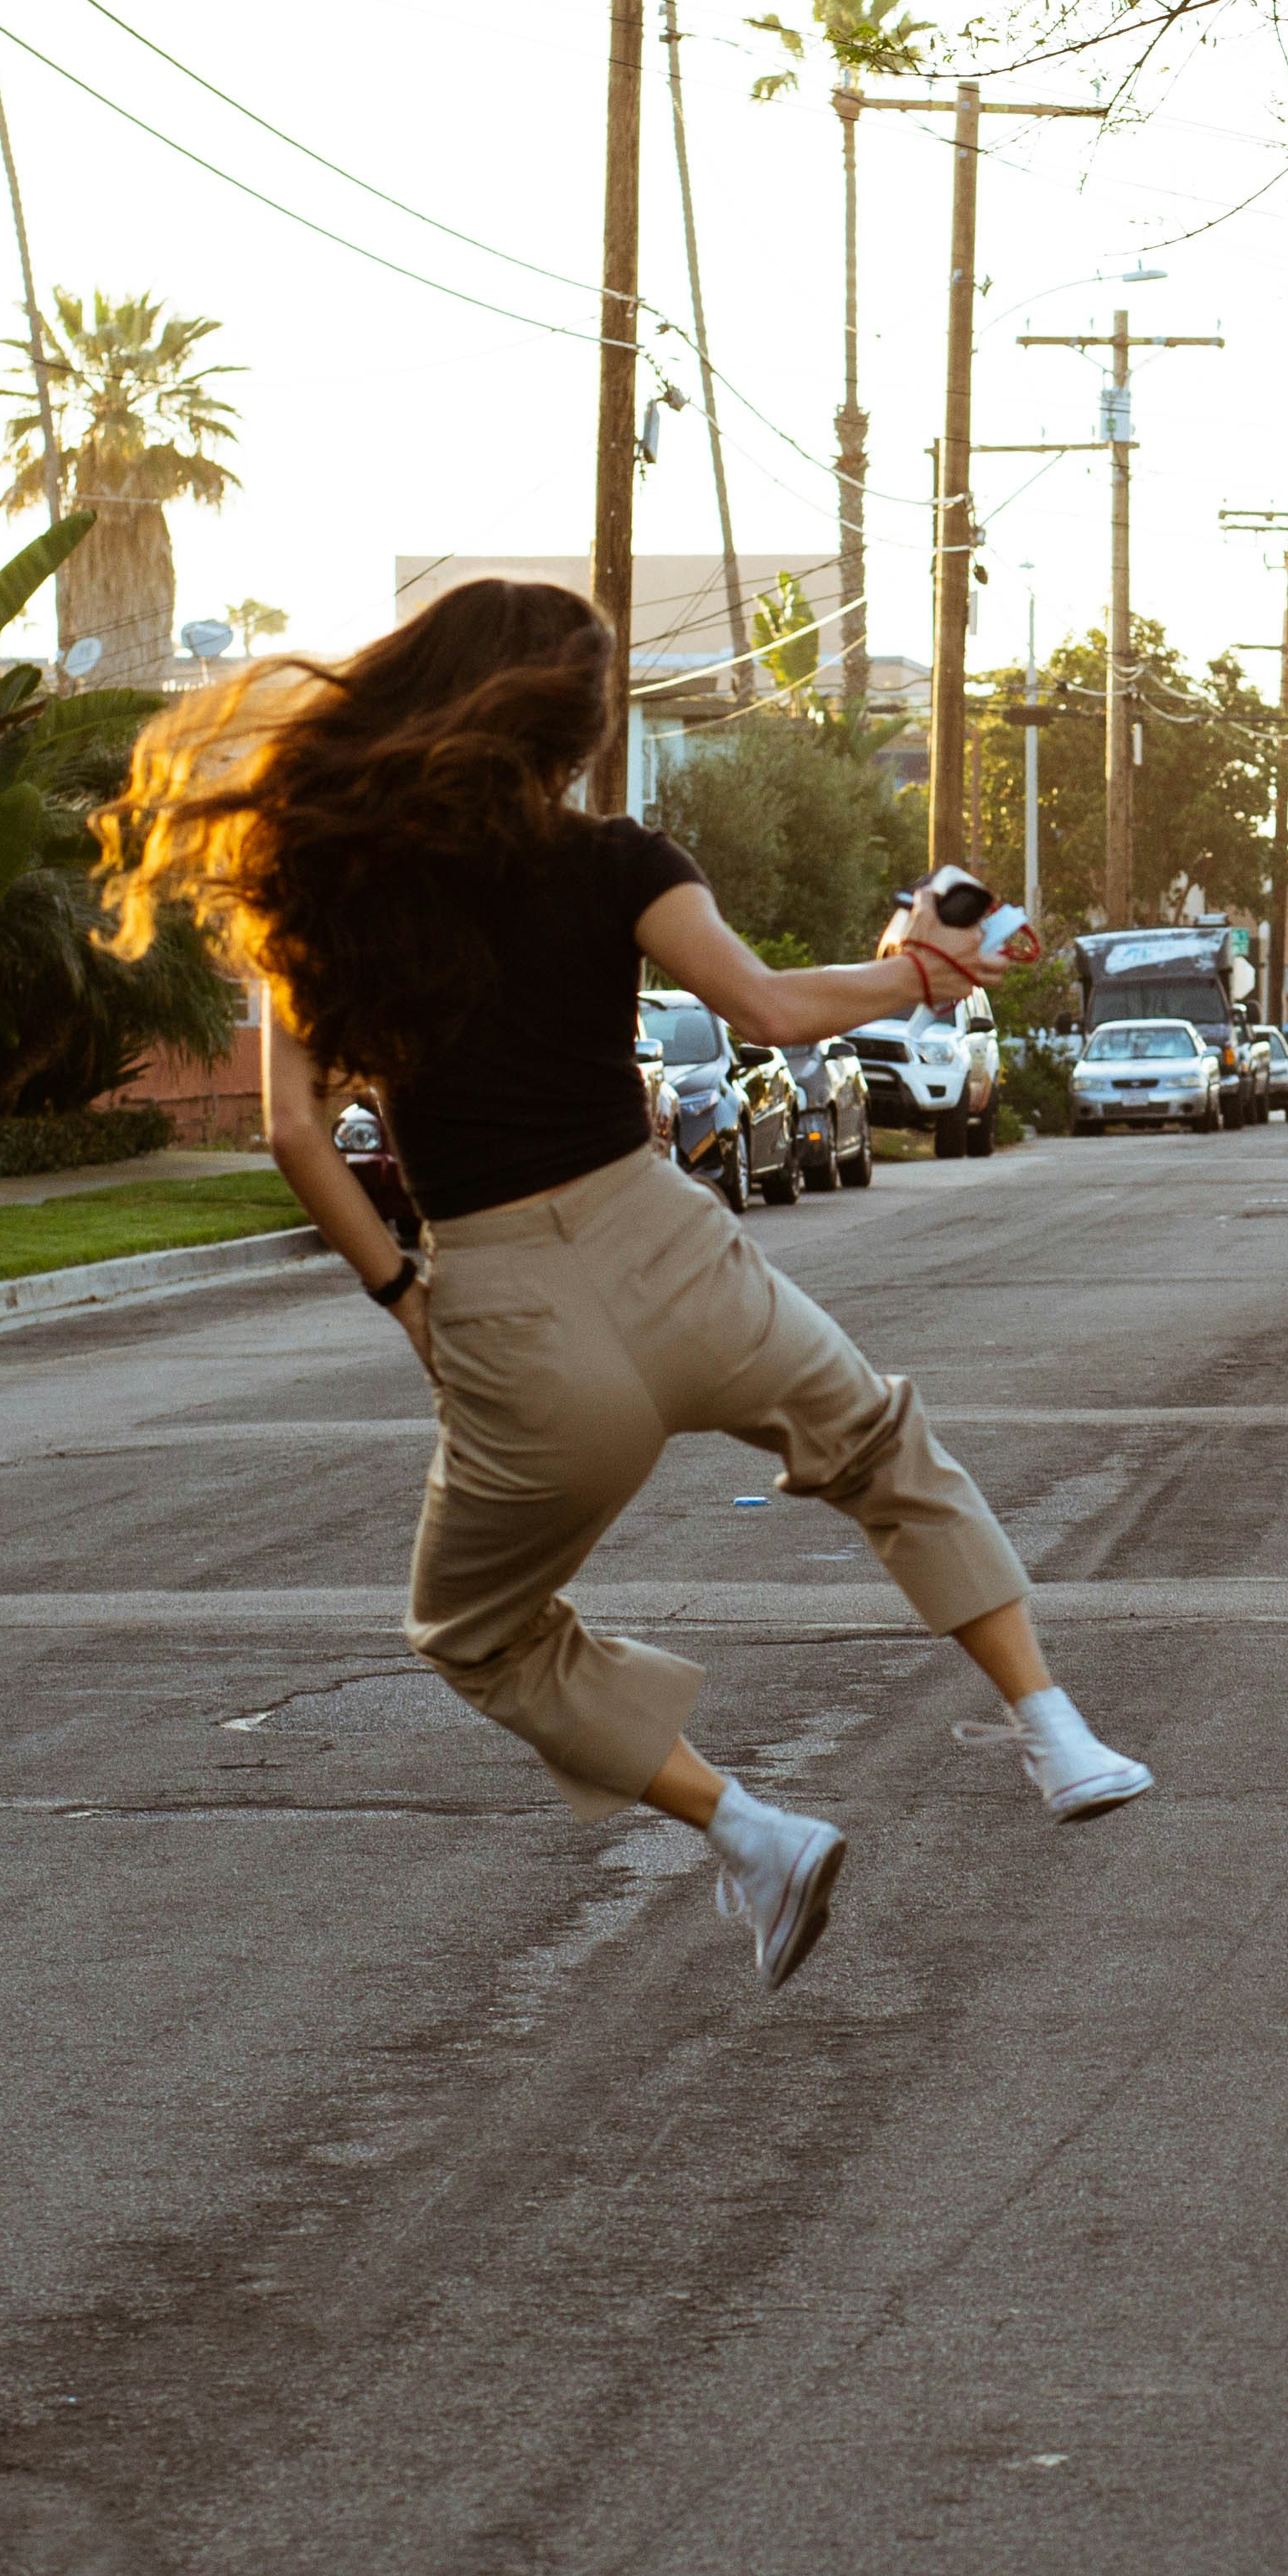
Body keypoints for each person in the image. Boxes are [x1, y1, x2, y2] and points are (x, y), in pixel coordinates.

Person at [97, 580, 1147, 1990]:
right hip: (672, 1249)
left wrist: (407, 1297)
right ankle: (1055, 1733)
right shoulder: (616, 860)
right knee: (881, 1444)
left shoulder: (325, 878)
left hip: (505, 1304)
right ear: (574, 733)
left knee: (476, 1633)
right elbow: (770, 1009)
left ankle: (751, 1831)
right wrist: (916, 975)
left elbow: (295, 1134)